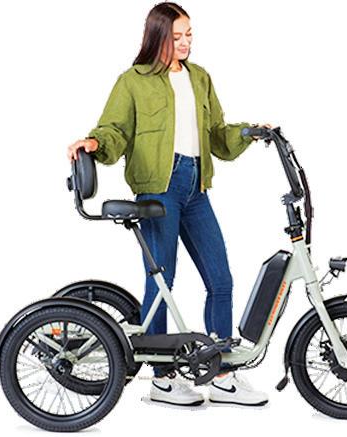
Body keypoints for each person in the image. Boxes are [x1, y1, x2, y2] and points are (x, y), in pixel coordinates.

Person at [67, 2, 274, 407]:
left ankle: (222, 375)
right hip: (158, 189)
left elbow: (217, 135)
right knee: (162, 283)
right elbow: (114, 131)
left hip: (196, 186)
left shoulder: (200, 78)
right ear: (157, 36)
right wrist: (93, 143)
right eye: (177, 35)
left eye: (189, 34)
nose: (185, 42)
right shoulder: (133, 81)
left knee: (220, 279)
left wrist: (249, 132)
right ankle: (162, 380)